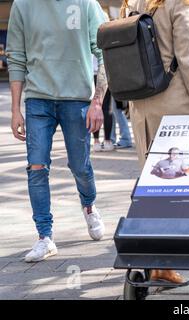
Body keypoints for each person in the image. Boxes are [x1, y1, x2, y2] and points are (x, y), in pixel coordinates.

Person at [121, 0, 189, 284]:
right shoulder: (180, 4)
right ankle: (164, 265)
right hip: (176, 110)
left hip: (142, 109)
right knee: (179, 190)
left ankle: (156, 263)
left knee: (153, 189)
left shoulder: (133, 2)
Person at [7, 0, 108, 262]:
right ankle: (44, 237)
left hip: (77, 99)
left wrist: (97, 101)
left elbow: (104, 51)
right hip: (38, 99)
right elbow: (16, 57)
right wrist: (15, 109)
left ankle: (88, 205)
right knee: (36, 167)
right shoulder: (22, 5)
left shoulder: (86, 3)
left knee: (80, 166)